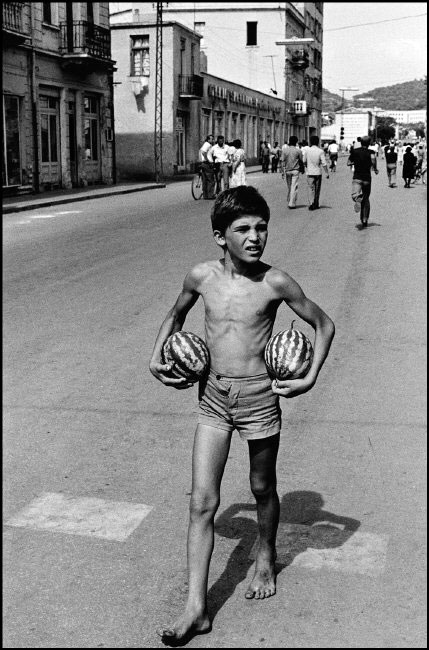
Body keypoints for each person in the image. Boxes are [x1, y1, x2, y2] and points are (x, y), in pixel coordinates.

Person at [150, 186, 335, 645]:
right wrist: (155, 357)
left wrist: (309, 377)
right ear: (220, 236)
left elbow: (324, 323)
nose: (255, 237)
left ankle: (266, 553)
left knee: (261, 487)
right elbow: (174, 317)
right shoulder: (201, 277)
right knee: (201, 501)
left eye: (261, 227)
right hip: (212, 397)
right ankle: (196, 607)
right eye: (243, 229)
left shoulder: (276, 283)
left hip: (258, 399)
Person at [347, 134, 379, 227]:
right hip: (367, 178)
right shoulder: (371, 152)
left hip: (357, 177)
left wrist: (355, 162)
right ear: (369, 143)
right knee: (366, 199)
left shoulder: (354, 151)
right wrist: (375, 168)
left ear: (360, 142)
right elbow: (373, 160)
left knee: (355, 195)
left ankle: (357, 198)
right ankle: (365, 219)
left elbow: (348, 163)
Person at [303, 134, 330, 210]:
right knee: (317, 189)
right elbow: (324, 163)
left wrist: (307, 166)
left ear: (310, 142)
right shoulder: (320, 151)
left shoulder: (307, 151)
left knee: (310, 188)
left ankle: (311, 203)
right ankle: (316, 203)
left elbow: (304, 161)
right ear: (318, 142)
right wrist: (327, 173)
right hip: (318, 172)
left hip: (309, 172)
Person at [281, 135, 304, 209]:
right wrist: (302, 169)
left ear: (289, 141)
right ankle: (291, 203)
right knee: (294, 187)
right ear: (296, 142)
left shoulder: (285, 150)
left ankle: (289, 200)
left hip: (287, 171)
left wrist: (282, 171)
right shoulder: (298, 151)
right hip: (295, 171)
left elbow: (282, 161)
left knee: (289, 186)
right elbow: (301, 161)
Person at [199, 135, 215, 199]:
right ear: (208, 140)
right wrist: (207, 160)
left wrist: (201, 160)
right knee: (211, 180)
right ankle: (210, 195)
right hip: (207, 164)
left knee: (204, 179)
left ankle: (205, 195)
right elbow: (203, 152)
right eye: (212, 139)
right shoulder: (208, 144)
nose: (213, 140)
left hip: (203, 163)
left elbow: (200, 151)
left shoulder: (205, 144)